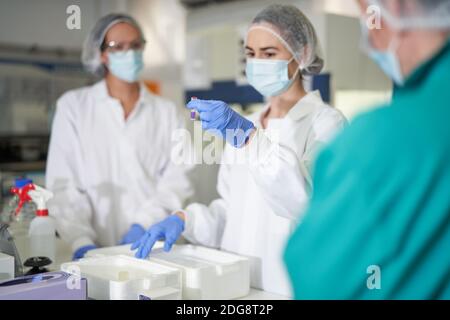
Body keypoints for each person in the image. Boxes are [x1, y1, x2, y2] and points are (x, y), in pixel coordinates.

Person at [131, 4, 347, 296]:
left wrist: (248, 138)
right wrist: (185, 219)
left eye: (269, 54)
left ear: (302, 54)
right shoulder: (250, 124)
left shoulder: (325, 123)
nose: (257, 62)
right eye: (250, 53)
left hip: (287, 288)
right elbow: (231, 210)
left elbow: (306, 203)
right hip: (236, 287)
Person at [284, 0, 450, 299]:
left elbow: (319, 277)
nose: (367, 36)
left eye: (366, 12)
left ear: (398, 7)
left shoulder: (375, 140)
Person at [46, 14, 193, 260]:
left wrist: (145, 223)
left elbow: (178, 179)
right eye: (119, 47)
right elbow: (63, 184)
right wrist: (81, 240)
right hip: (93, 250)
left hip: (152, 246)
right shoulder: (74, 107)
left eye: (136, 45)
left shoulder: (168, 112)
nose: (130, 53)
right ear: (101, 54)